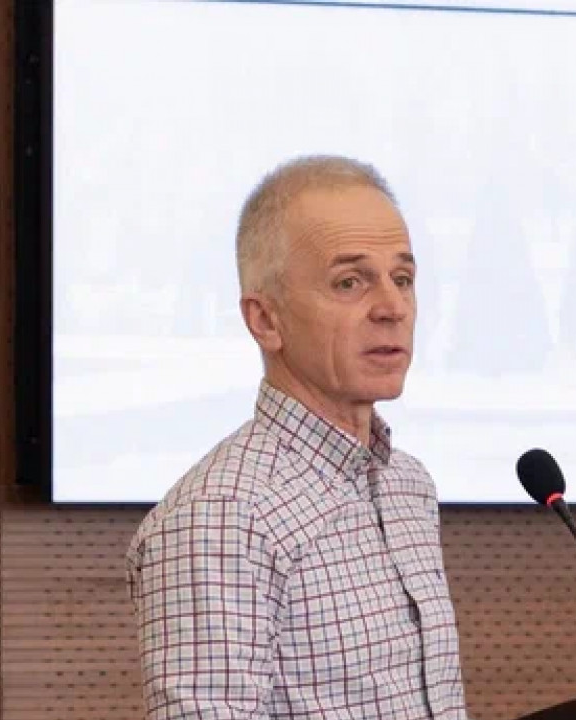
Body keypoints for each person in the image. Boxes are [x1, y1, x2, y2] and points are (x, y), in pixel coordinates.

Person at [125, 155, 470, 720]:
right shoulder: (219, 517)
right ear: (265, 320)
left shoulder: (408, 485)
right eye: (350, 282)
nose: (392, 308)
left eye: (403, 279)